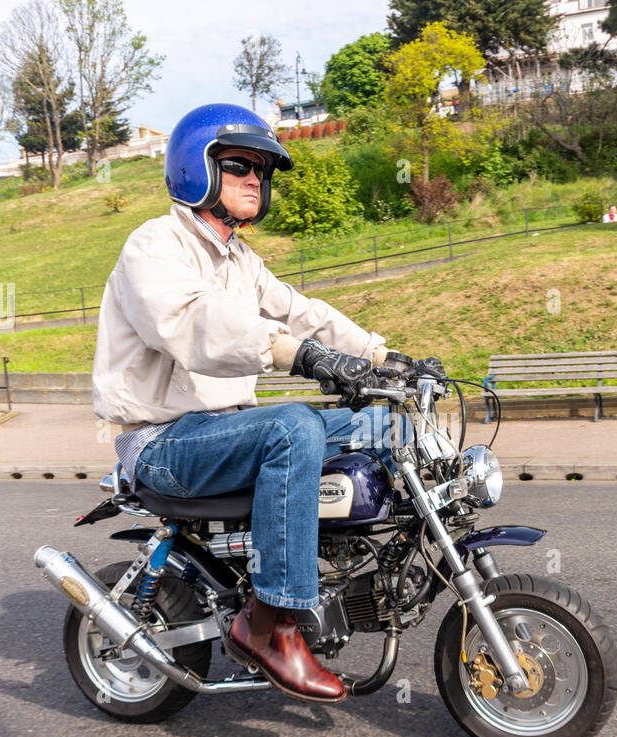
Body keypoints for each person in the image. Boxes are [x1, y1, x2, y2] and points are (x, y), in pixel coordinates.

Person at [92, 103, 435, 703]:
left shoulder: (241, 260)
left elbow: (303, 312)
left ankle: (399, 553)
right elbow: (192, 324)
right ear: (196, 169)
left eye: (263, 169)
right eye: (240, 165)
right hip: (163, 441)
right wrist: (295, 355)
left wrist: (385, 359)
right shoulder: (155, 245)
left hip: (226, 430)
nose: (257, 178)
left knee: (382, 424)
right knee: (295, 428)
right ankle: (268, 624)